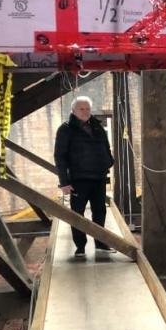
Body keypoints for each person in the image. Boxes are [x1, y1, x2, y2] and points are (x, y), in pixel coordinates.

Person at [54, 95, 115, 258]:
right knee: (77, 214)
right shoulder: (66, 129)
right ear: (73, 110)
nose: (85, 111)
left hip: (99, 177)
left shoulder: (97, 127)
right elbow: (60, 157)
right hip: (78, 180)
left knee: (100, 211)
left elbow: (106, 146)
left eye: (87, 108)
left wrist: (109, 161)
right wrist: (64, 182)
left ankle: (101, 243)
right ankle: (80, 247)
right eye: (82, 109)